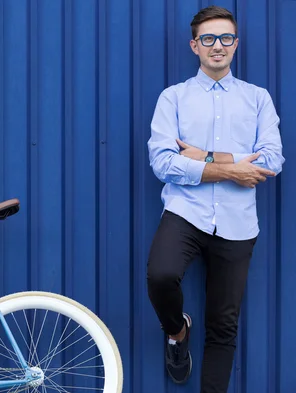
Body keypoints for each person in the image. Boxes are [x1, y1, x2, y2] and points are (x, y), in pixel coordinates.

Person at [146, 5, 285, 393]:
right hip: (184, 212)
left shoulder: (258, 98)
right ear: (195, 46)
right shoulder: (173, 98)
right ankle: (177, 332)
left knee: (223, 326)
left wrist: (203, 156)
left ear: (235, 44)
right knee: (160, 275)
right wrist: (232, 168)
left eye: (225, 38)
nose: (217, 46)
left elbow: (272, 160)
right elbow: (162, 162)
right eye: (208, 39)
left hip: (238, 222)